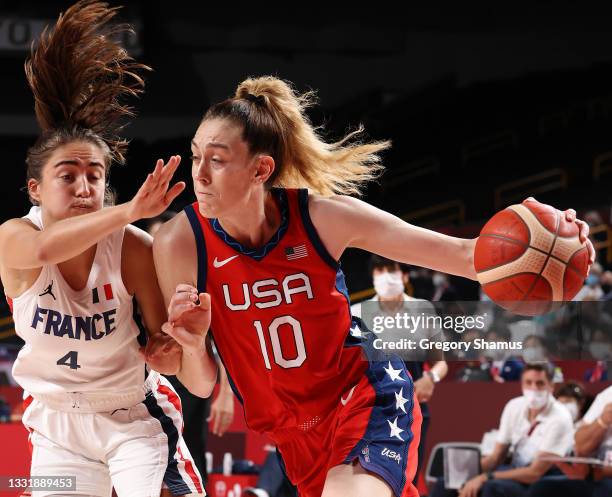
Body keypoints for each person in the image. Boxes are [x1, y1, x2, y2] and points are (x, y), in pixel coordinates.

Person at [152, 76, 595, 497]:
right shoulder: (178, 242)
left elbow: (466, 255)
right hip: (293, 436)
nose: (200, 175)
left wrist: (547, 242)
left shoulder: (323, 218)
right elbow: (201, 385)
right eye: (195, 157)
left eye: (217, 159)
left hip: (365, 395)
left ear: (260, 168)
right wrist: (191, 346)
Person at [0, 2, 202, 496]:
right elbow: (47, 248)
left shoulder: (132, 246)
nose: (84, 186)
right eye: (67, 176)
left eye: (95, 175)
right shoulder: (14, 236)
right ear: (34, 189)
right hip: (53, 425)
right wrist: (130, 209)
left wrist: (167, 348)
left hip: (132, 414)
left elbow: (167, 355)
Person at [147, 214, 236, 483]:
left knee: (190, 450)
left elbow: (224, 338)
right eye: (155, 241)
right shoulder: (137, 279)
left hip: (189, 379)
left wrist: (227, 393)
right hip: (143, 380)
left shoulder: (200, 281)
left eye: (168, 242)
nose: (162, 247)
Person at [350, 255, 448, 486]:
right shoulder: (357, 312)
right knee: (368, 480)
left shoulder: (423, 309)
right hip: (369, 411)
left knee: (406, 481)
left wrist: (430, 378)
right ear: (372, 277)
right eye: (379, 271)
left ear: (404, 275)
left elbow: (440, 362)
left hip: (411, 407)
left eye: (391, 270)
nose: (385, 276)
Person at [431, 364, 574, 497]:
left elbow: (534, 472)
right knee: (445, 483)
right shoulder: (514, 406)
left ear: (551, 386)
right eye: (528, 383)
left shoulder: (560, 418)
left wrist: (485, 477)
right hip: (514, 470)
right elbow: (496, 456)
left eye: (540, 383)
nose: (534, 389)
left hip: (543, 480)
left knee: (491, 487)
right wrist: (466, 472)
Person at [526, 384, 612, 496]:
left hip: (604, 476)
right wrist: (603, 420)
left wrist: (601, 473)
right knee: (543, 488)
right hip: (593, 473)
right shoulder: (607, 395)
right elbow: (580, 446)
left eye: (568, 401)